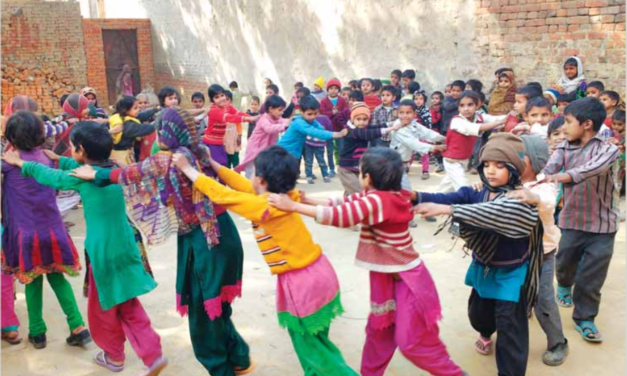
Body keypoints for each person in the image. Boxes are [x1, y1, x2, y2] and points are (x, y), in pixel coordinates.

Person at [69, 109, 251, 375]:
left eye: (161, 128)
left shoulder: (172, 159)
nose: (158, 133)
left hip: (204, 241)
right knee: (217, 306)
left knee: (203, 317)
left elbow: (131, 175)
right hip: (222, 233)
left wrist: (94, 175)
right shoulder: (197, 151)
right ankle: (239, 358)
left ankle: (222, 370)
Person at [269, 147, 467, 376]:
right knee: (379, 330)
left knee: (411, 342)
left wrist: (294, 206)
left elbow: (341, 217)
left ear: (368, 178)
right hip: (385, 277)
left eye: (361, 172)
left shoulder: (379, 200)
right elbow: (345, 203)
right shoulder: (383, 194)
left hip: (407, 280)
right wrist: (310, 200)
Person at [173, 145, 359, 376]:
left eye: (253, 172)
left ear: (261, 180)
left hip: (301, 283)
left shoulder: (263, 206)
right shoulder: (282, 196)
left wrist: (189, 170)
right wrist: (214, 164)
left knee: (313, 351)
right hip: (319, 273)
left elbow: (225, 195)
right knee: (317, 344)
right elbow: (242, 187)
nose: (249, 176)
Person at [3, 122, 167, 375]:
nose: (68, 151)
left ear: (80, 149)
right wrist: (59, 157)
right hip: (126, 245)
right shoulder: (113, 170)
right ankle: (153, 354)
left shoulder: (82, 180)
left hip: (103, 252)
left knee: (103, 308)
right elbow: (78, 168)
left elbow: (52, 177)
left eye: (71, 148)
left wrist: (20, 163)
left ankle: (114, 357)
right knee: (128, 302)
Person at [414, 133, 544, 376]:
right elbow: (449, 196)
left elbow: (494, 211)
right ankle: (485, 332)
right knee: (479, 316)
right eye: (486, 164)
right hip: (483, 266)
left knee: (511, 330)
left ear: (514, 168)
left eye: (499, 165)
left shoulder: (520, 199)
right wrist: (415, 197)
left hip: (511, 273)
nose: (491, 170)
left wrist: (449, 209)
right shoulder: (477, 192)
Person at [2, 111, 90, 350]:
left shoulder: (8, 164)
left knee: (31, 282)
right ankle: (78, 327)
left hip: (25, 235)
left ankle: (37, 333)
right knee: (57, 277)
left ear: (10, 136)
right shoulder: (47, 159)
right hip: (53, 232)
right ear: (40, 135)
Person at [544, 97, 619, 344]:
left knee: (592, 276)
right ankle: (564, 285)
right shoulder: (564, 148)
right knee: (565, 263)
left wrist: (560, 177)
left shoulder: (608, 149)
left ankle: (585, 318)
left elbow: (591, 170)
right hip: (572, 220)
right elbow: (548, 170)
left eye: (567, 122)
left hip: (603, 225)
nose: (563, 128)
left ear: (587, 124)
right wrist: (542, 178)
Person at [509, 135, 569, 366]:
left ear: (534, 159)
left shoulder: (545, 182)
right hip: (515, 253)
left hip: (542, 253)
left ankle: (558, 342)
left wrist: (531, 197)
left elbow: (547, 202)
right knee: (515, 293)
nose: (512, 159)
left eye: (518, 155)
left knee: (543, 298)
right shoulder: (508, 179)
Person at [439, 91, 507, 193]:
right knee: (463, 187)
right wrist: (500, 122)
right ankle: (467, 206)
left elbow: (495, 119)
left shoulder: (479, 117)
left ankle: (430, 202)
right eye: (462, 105)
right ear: (458, 108)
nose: (466, 109)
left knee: (446, 188)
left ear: (477, 105)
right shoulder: (457, 121)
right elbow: (475, 128)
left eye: (470, 105)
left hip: (463, 159)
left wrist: (511, 116)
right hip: (452, 161)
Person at [338, 102, 397, 197]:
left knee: (352, 192)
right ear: (353, 119)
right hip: (346, 169)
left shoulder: (362, 128)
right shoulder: (351, 131)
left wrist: (390, 124)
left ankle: (347, 208)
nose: (362, 122)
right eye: (358, 119)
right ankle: (348, 208)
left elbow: (374, 127)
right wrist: (390, 129)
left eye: (365, 119)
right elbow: (370, 133)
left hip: (357, 167)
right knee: (358, 192)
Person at [391, 99, 446, 189]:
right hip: (394, 163)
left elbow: (427, 132)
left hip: (403, 162)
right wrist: (434, 147)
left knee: (399, 187)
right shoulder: (398, 127)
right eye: (401, 113)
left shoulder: (413, 124)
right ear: (397, 113)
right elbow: (414, 143)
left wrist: (443, 138)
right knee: (402, 188)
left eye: (408, 113)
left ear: (414, 114)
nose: (404, 116)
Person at [203, 84, 258, 168]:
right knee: (218, 165)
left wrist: (253, 118)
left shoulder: (227, 106)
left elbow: (238, 113)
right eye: (217, 97)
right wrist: (249, 119)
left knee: (224, 163)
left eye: (222, 95)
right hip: (211, 142)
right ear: (212, 100)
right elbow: (229, 118)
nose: (221, 98)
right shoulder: (214, 110)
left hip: (220, 142)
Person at [237, 95, 290, 178]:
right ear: (271, 109)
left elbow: (284, 120)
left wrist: (292, 121)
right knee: (252, 171)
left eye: (283, 110)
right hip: (254, 148)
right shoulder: (264, 119)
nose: (282, 112)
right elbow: (269, 128)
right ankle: (248, 188)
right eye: (280, 110)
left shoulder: (276, 117)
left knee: (262, 171)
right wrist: (285, 127)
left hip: (264, 149)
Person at [277, 95, 346, 159]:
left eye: (315, 113)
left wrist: (332, 133)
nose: (313, 116)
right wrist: (338, 134)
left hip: (293, 154)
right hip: (282, 154)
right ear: (301, 111)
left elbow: (321, 130)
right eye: (309, 114)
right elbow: (314, 132)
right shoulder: (299, 122)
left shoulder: (311, 120)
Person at [108, 96, 155, 165]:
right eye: (135, 108)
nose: (139, 110)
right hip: (121, 157)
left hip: (126, 153)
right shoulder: (128, 125)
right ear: (126, 110)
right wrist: (159, 124)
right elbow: (145, 129)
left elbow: (143, 115)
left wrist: (156, 109)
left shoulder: (124, 117)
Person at [320, 78, 349, 171]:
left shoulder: (342, 100)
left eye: (336, 88)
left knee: (341, 149)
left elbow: (345, 112)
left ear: (339, 90)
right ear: (327, 90)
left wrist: (339, 113)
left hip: (340, 129)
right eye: (331, 88)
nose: (333, 90)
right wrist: (332, 112)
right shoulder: (323, 101)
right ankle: (331, 168)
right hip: (328, 130)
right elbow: (322, 113)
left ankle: (341, 167)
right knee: (329, 150)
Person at [223, 90, 244, 168]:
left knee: (235, 159)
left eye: (227, 99)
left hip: (234, 139)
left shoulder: (234, 111)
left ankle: (237, 175)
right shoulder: (220, 112)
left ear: (231, 100)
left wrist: (240, 136)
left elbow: (239, 124)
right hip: (225, 140)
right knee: (226, 161)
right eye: (223, 100)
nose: (225, 102)